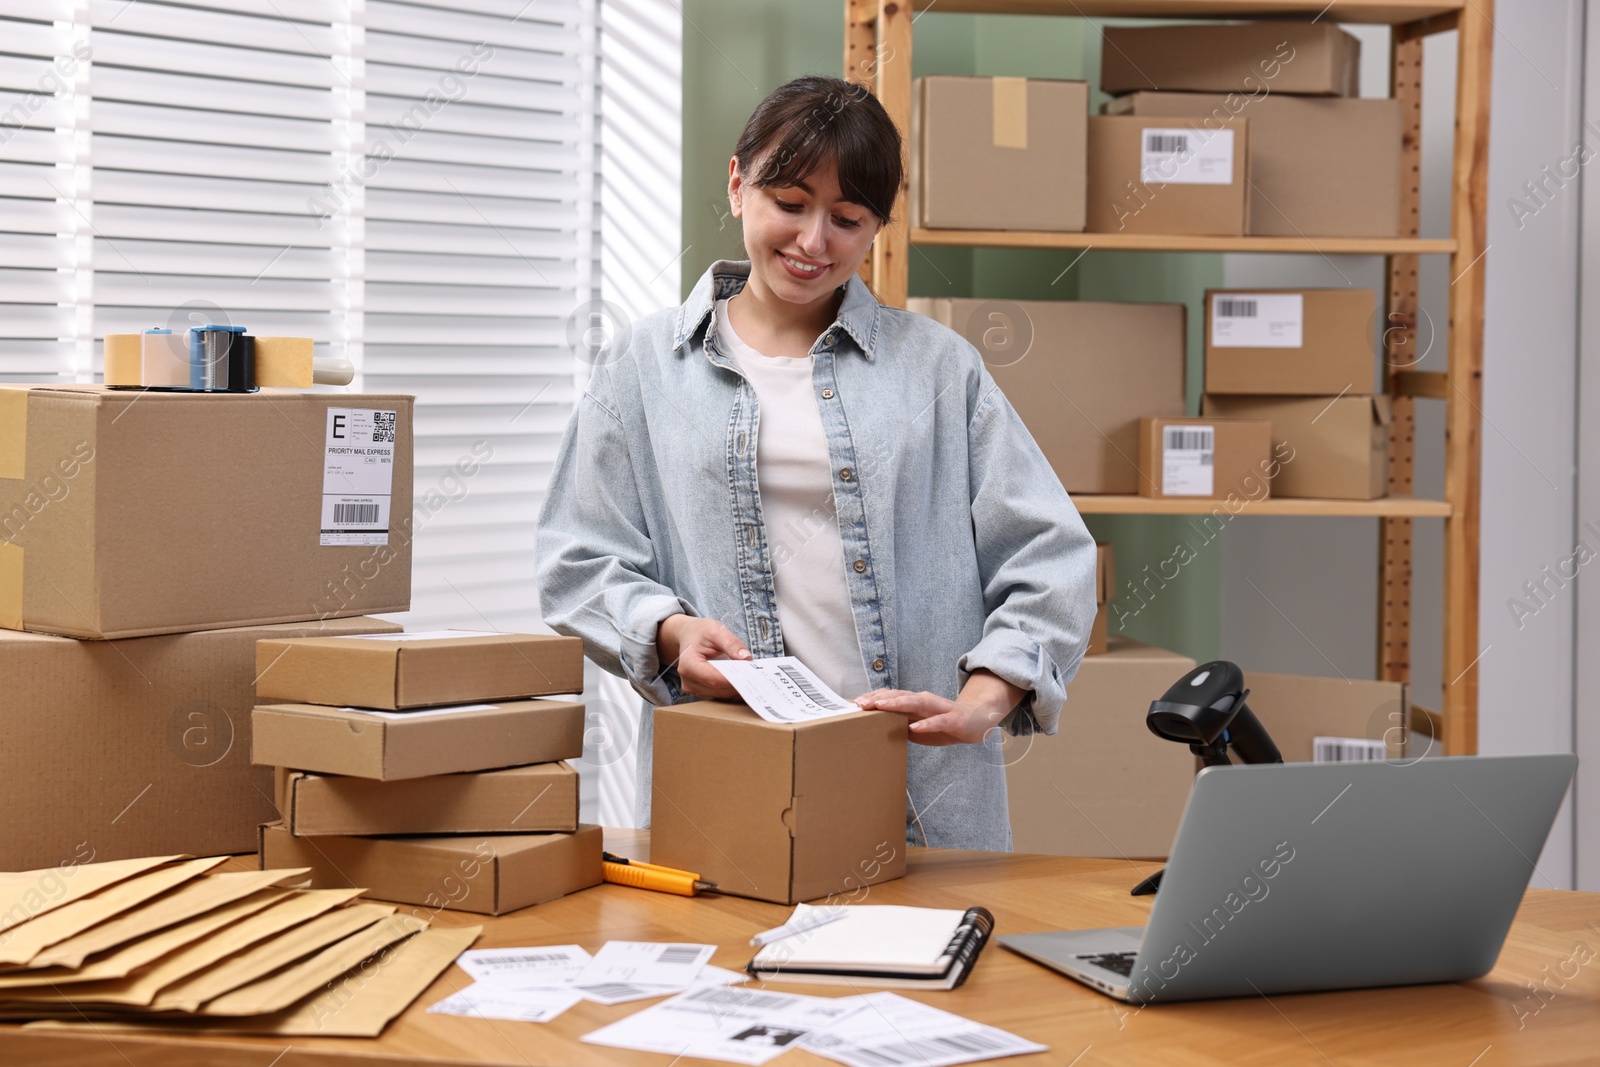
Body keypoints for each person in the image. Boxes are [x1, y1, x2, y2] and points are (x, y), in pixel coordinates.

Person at [536, 74, 1097, 851]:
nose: (812, 242)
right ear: (738, 185)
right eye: (790, 203)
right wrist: (668, 631)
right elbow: (578, 557)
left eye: (847, 218)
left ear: (876, 229)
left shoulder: (938, 369)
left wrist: (985, 698)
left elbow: (1053, 553)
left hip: (923, 795)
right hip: (727, 781)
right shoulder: (642, 365)